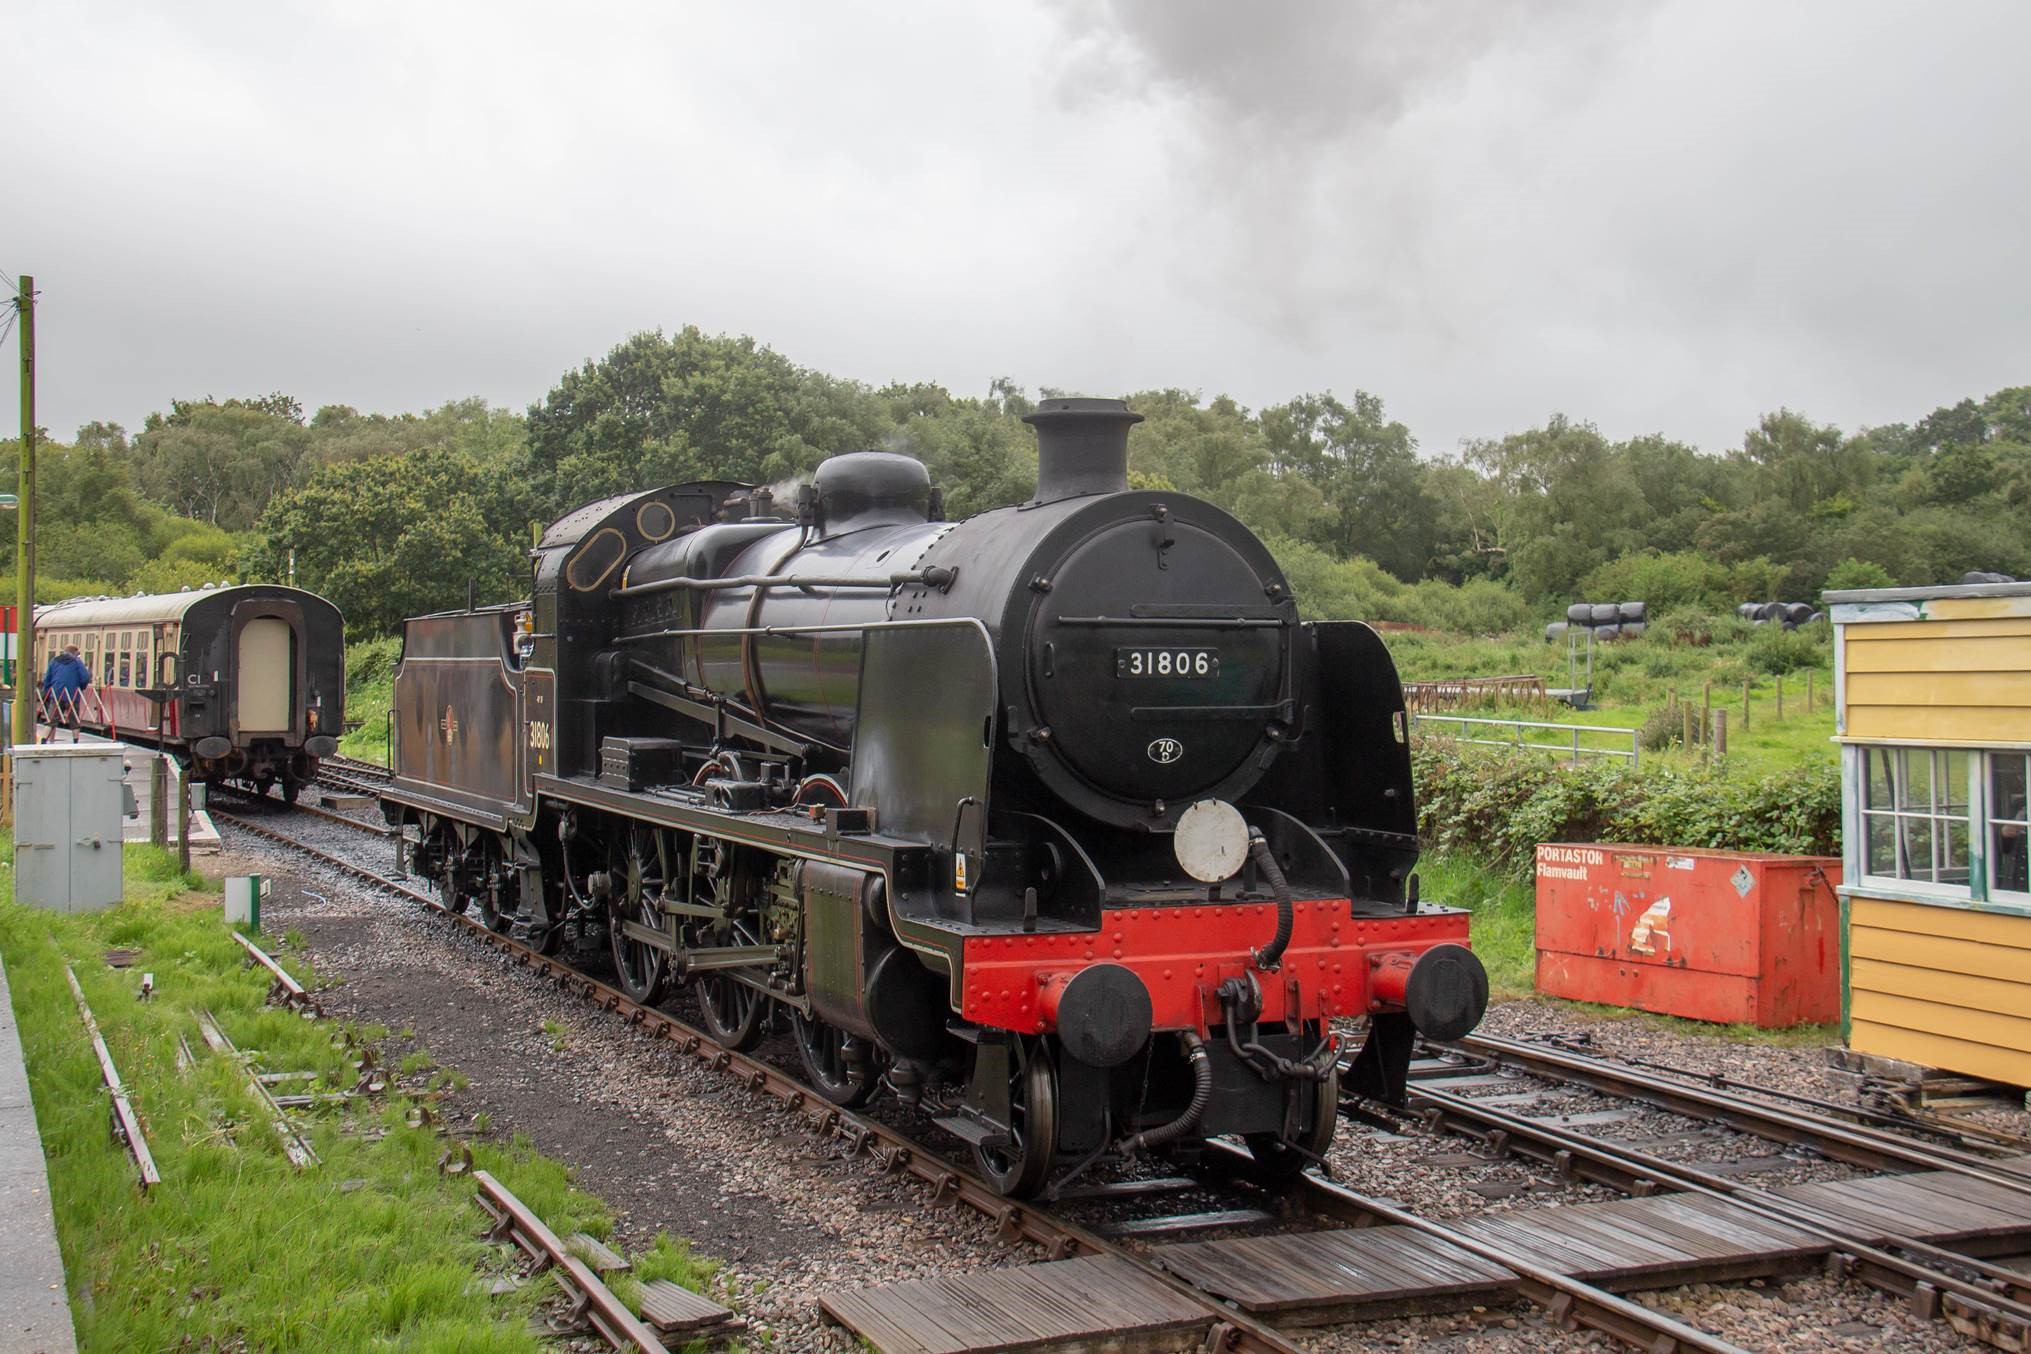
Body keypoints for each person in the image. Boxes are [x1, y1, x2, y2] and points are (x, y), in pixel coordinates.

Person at [39, 643, 91, 743]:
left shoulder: (54, 661)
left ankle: (43, 741)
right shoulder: (77, 662)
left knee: (51, 720)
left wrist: (46, 692)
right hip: (72, 695)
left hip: (57, 694)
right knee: (74, 720)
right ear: (75, 652)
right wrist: (81, 687)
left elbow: (47, 679)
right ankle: (75, 742)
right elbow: (85, 677)